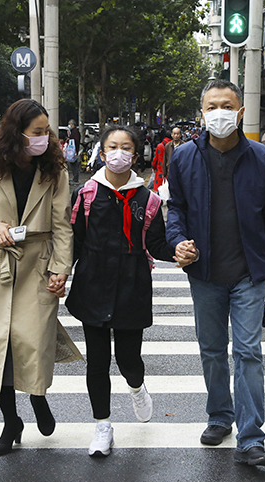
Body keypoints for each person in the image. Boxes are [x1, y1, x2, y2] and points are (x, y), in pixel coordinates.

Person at [166, 79, 265, 466]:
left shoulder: (263, 158)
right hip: (204, 272)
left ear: (240, 111)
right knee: (212, 350)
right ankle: (220, 415)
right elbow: (177, 210)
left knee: (249, 352)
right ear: (202, 113)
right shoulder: (182, 157)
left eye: (227, 105)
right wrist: (178, 241)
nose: (219, 112)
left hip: (249, 272)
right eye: (212, 106)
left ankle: (251, 439)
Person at [0, 98, 74, 455]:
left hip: (38, 266)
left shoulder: (55, 170)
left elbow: (62, 226)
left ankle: (38, 398)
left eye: (46, 131)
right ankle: (11, 422)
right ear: (17, 131)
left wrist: (60, 269)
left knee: (34, 344)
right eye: (36, 132)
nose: (43, 137)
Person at [66, 125, 182, 457]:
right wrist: (57, 274)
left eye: (126, 147)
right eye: (112, 147)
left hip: (132, 286)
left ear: (135, 154)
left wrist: (180, 251)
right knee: (97, 362)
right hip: (93, 285)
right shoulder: (86, 194)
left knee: (128, 359)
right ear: (102, 153)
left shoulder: (148, 199)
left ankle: (136, 386)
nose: (119, 153)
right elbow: (73, 241)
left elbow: (157, 244)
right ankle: (103, 426)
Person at [67, 119, 82, 185]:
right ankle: (74, 178)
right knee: (73, 165)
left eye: (70, 124)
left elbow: (75, 140)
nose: (69, 125)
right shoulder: (73, 131)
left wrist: (69, 140)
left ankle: (75, 179)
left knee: (74, 165)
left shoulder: (75, 132)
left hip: (74, 151)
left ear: (72, 125)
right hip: (73, 151)